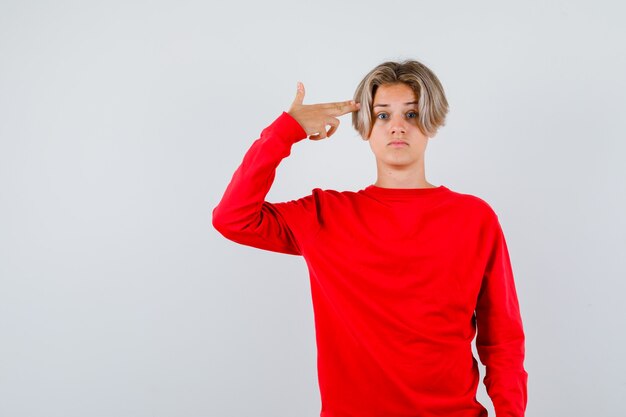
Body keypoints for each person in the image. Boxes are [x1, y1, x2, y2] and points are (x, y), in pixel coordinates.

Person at [212, 59, 528, 417]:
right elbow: (233, 218)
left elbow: (502, 340)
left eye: (411, 115)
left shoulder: (474, 218)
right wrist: (287, 131)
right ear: (365, 127)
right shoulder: (324, 215)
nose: (397, 127)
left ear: (431, 122)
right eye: (382, 115)